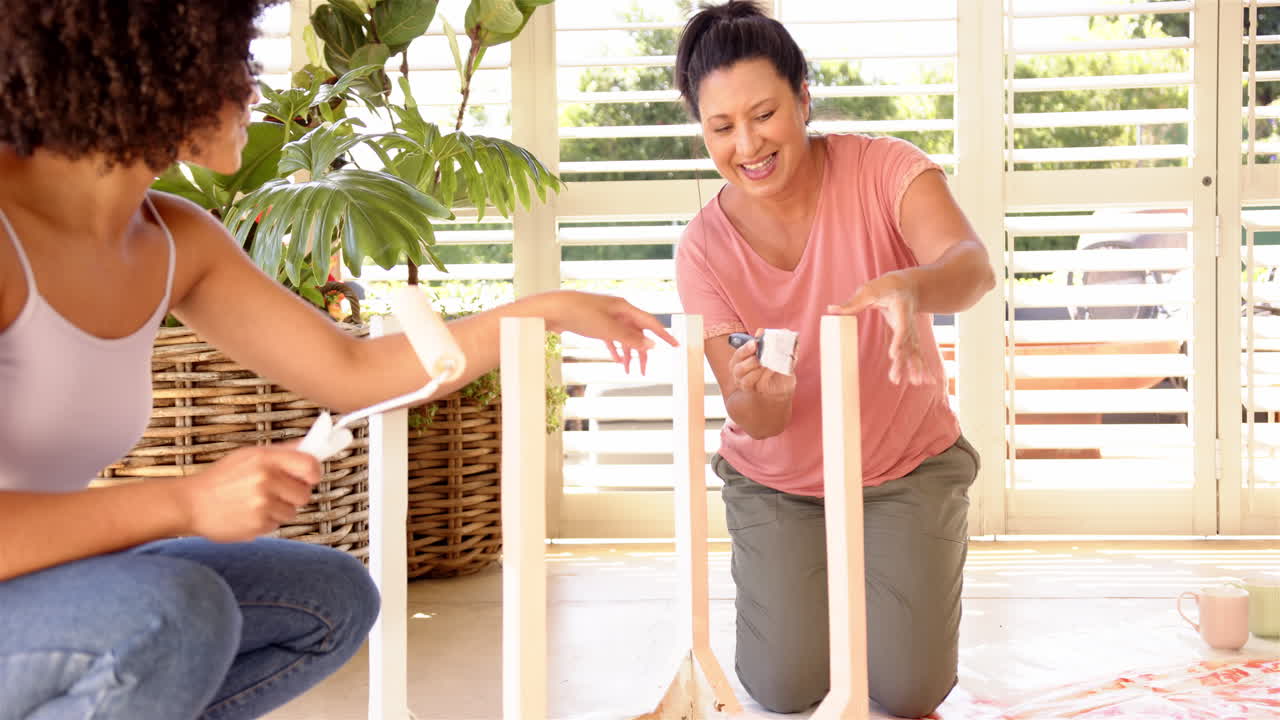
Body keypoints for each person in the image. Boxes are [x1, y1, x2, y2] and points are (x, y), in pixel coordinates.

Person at [0, 2, 676, 718]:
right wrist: (187, 502)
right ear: (153, 67)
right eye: (233, 59)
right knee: (172, 615)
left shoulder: (174, 240)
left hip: (48, 588)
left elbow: (352, 374)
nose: (252, 88)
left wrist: (549, 309)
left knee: (328, 599)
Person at [673, 2, 996, 717]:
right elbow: (751, 417)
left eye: (764, 114)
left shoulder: (885, 169)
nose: (747, 144)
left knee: (908, 693)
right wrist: (767, 393)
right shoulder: (702, 247)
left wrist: (915, 284)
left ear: (804, 98)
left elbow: (972, 268)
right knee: (785, 691)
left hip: (903, 467)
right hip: (778, 485)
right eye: (721, 127)